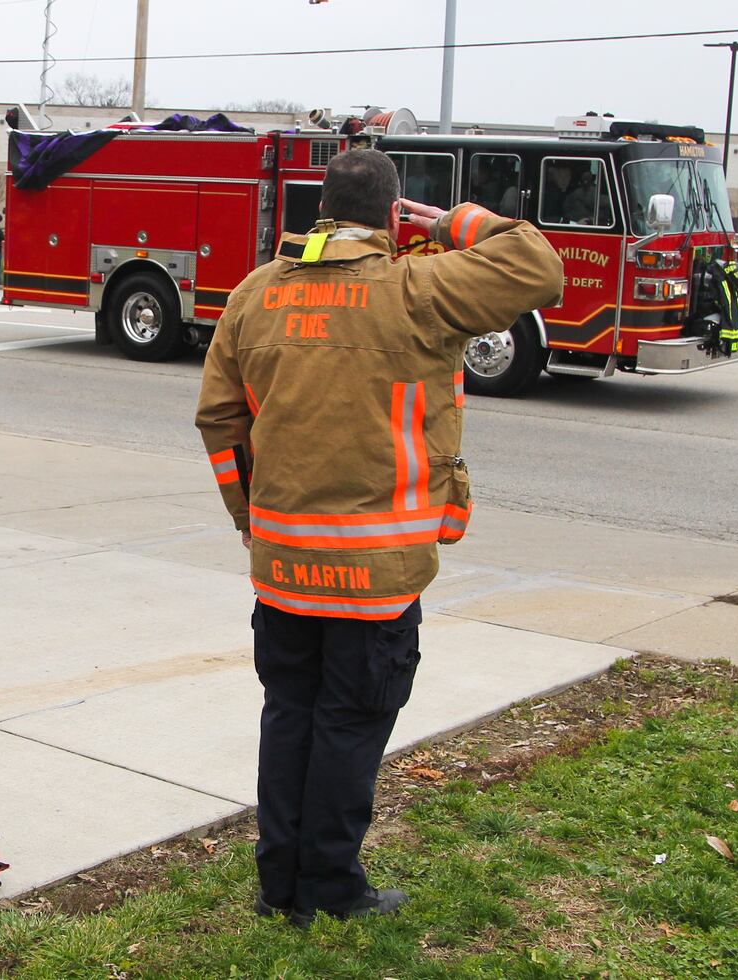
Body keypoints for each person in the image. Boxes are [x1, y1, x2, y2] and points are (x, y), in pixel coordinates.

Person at [195, 150, 562, 924]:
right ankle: (330, 889)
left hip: (283, 568)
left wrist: (249, 517)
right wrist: (457, 222)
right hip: (375, 576)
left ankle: (279, 887)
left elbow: (221, 421)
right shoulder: (418, 290)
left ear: (318, 210)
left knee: (289, 715)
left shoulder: (255, 295)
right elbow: (535, 264)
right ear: (394, 218)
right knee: (349, 727)